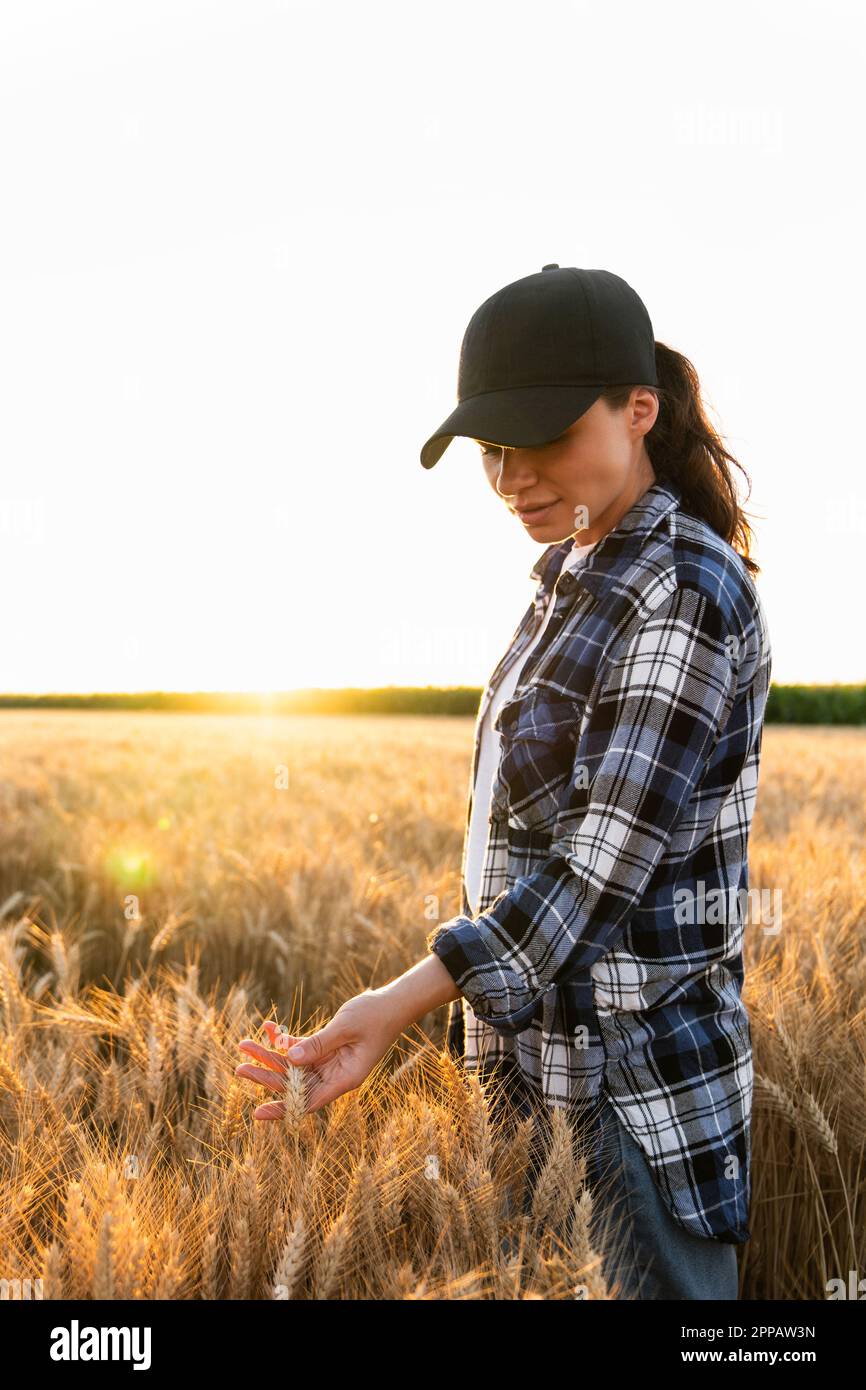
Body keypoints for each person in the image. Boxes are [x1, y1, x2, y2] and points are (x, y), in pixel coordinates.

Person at [235, 264, 772, 1301]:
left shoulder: (684, 587)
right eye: (493, 452)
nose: (515, 477)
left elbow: (596, 875)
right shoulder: (569, 577)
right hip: (528, 1084)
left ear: (638, 411)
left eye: (544, 440)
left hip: (634, 1101)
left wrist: (396, 1002)